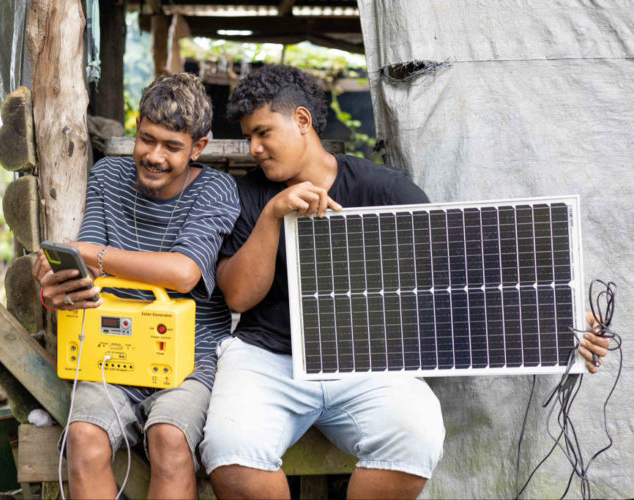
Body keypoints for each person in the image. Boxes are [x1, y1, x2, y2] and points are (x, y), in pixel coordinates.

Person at [198, 65, 611, 499]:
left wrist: (558, 316)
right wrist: (272, 215)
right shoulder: (247, 193)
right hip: (267, 358)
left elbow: (463, 273)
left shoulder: (385, 189)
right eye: (248, 137)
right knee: (231, 451)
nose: (254, 148)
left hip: (365, 362)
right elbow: (240, 296)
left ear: (301, 121)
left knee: (416, 435)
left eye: (262, 132)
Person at [33, 73, 239, 499]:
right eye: (147, 139)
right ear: (137, 127)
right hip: (112, 351)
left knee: (169, 436)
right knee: (84, 437)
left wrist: (94, 255)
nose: (154, 156)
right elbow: (84, 266)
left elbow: (184, 272)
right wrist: (59, 286)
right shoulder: (109, 176)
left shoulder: (216, 189)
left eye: (172, 146)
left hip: (189, 359)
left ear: (198, 148)